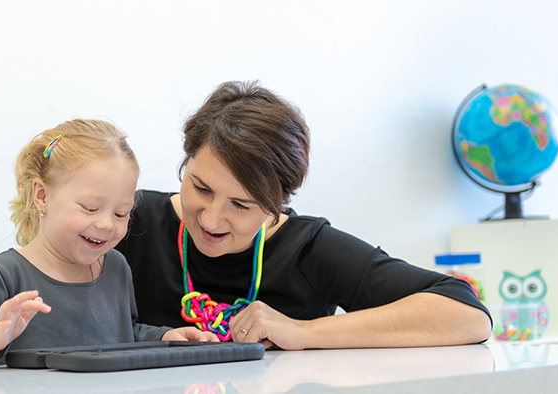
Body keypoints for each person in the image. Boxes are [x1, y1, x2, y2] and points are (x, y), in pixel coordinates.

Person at [116, 81, 492, 350]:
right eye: (201, 189)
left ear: (277, 201)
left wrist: (303, 332)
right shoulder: (129, 221)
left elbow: (466, 313)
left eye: (241, 205)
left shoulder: (307, 248)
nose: (212, 220)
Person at [0, 119, 216, 369]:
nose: (106, 224)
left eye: (120, 213)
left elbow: (124, 335)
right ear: (42, 196)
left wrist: (164, 337)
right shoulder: (5, 274)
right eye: (90, 208)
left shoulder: (116, 267)